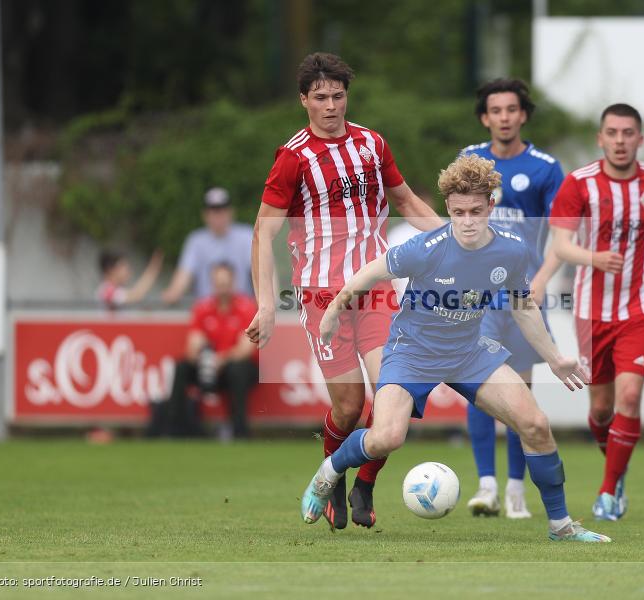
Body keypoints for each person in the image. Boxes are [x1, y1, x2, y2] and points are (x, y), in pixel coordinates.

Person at [300, 154, 610, 543]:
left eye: (476, 211)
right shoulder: (426, 247)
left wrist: (554, 357)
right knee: (386, 437)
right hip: (411, 352)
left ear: (490, 206)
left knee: (535, 424)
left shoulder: (512, 249)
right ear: (448, 207)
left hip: (468, 353)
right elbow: (370, 272)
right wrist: (332, 311)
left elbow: (522, 305)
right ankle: (328, 474)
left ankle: (561, 527)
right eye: (459, 211)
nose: (467, 221)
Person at [244, 53, 443, 530]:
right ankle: (331, 478)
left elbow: (406, 200)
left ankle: (366, 481)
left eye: (337, 95)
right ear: (304, 101)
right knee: (350, 407)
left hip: (375, 289)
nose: (331, 106)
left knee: (394, 397)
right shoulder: (293, 158)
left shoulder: (372, 144)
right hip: (320, 299)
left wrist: (455, 242)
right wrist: (268, 305)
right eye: (320, 98)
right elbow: (261, 233)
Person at [550, 103, 644, 521]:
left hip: (640, 307)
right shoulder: (580, 183)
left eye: (628, 133)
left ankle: (607, 493)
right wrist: (593, 258)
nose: (620, 141)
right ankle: (616, 468)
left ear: (640, 139)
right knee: (602, 409)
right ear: (600, 138)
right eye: (613, 133)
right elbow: (561, 245)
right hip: (591, 312)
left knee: (630, 395)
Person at [459, 78, 565, 519]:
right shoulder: (470, 161)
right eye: (495, 110)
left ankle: (517, 488)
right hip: (478, 297)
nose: (504, 117)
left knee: (520, 389)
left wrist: (540, 280)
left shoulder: (544, 167)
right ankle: (487, 486)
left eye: (511, 109)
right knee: (481, 387)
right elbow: (457, 226)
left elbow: (562, 236)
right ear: (485, 117)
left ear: (523, 115)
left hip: (521, 295)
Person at [166, 262, 258, 439]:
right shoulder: (203, 308)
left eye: (225, 283)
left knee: (237, 369)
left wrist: (220, 360)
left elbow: (246, 349)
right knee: (182, 367)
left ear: (233, 283)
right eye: (218, 284)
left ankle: (240, 431)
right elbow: (192, 346)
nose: (222, 288)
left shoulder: (246, 308)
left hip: (238, 369)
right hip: (208, 366)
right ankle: (174, 429)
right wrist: (203, 357)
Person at [161, 187, 254, 304]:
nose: (219, 215)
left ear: (231, 212)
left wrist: (271, 301)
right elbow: (184, 274)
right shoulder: (196, 241)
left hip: (241, 312)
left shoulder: (246, 236)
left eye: (222, 210)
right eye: (214, 211)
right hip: (207, 313)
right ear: (205, 215)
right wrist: (173, 293)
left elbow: (263, 273)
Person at [96, 249, 163, 310]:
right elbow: (136, 295)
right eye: (123, 266)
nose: (128, 271)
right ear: (110, 269)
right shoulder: (107, 291)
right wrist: (154, 265)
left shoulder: (115, 290)